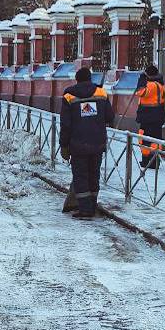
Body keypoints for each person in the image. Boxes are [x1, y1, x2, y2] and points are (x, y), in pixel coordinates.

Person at [58, 67, 114, 219]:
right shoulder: (101, 93)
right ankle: (92, 205)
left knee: (81, 176)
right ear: (90, 79)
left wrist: (64, 145)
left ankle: (85, 210)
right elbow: (109, 117)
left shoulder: (69, 96)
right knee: (94, 175)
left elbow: (66, 124)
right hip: (97, 143)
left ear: (76, 80)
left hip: (78, 144)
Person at [134, 64, 165, 170]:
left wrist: (141, 80)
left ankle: (146, 160)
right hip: (157, 116)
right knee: (156, 140)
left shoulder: (152, 85)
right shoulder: (160, 84)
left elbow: (140, 92)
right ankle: (154, 161)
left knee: (144, 139)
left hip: (148, 117)